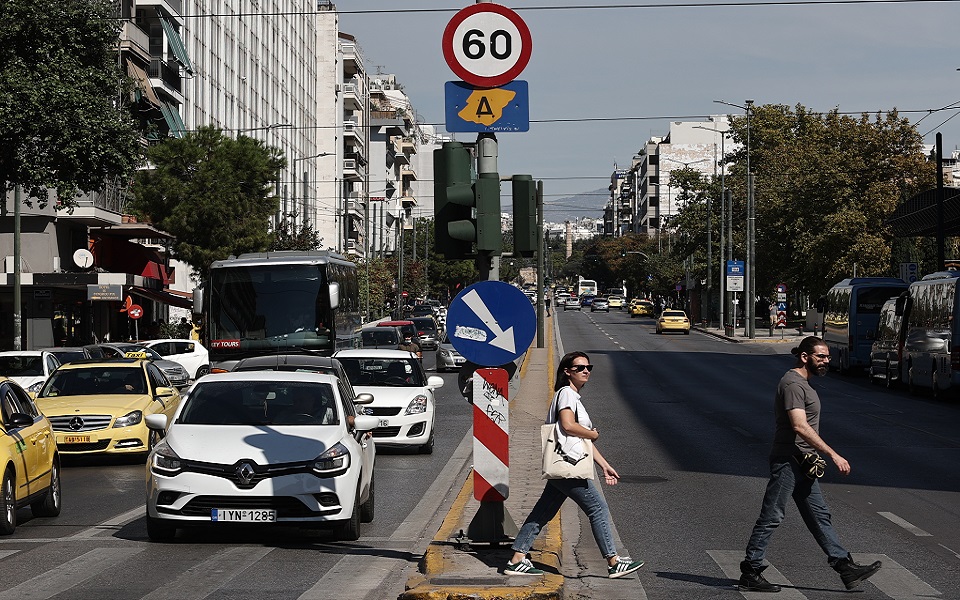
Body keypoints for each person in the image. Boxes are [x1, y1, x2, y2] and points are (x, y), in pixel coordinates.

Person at [739, 336, 882, 593]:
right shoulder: (793, 384)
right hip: (788, 461)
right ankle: (751, 570)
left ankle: (845, 568)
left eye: (827, 356)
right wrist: (833, 454)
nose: (827, 361)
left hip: (803, 462)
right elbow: (799, 426)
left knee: (819, 516)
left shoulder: (804, 383)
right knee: (772, 515)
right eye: (821, 357)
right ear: (805, 357)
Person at [504, 351, 644, 579]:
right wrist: (593, 434)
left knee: (543, 512)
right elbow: (568, 426)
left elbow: (581, 441)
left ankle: (517, 559)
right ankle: (613, 561)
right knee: (597, 509)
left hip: (564, 462)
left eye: (588, 367)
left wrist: (603, 464)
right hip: (569, 464)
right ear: (567, 371)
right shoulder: (567, 394)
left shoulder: (569, 395)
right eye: (580, 368)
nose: (586, 370)